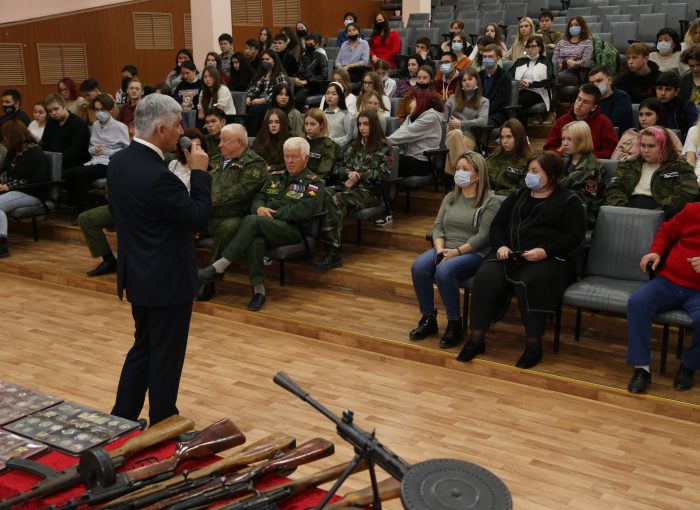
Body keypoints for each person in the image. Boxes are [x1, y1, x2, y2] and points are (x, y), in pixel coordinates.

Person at [107, 93, 212, 425]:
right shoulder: (160, 177)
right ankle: (165, 419)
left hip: (137, 274)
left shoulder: (119, 162)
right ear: (162, 128)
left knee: (144, 347)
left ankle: (121, 418)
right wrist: (199, 174)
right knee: (166, 354)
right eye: (178, 123)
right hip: (167, 280)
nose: (181, 129)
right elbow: (197, 217)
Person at [457, 151, 586, 369]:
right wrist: (501, 246)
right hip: (511, 255)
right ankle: (476, 339)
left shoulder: (568, 201)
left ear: (551, 175)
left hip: (548, 259)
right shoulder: (518, 196)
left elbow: (574, 236)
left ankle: (534, 346)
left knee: (531, 281)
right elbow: (497, 226)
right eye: (529, 170)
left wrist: (545, 251)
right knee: (486, 276)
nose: (529, 175)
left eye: (535, 171)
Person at [198, 137, 323, 311]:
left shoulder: (314, 182)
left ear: (306, 158)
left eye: (294, 157)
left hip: (294, 230)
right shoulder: (275, 177)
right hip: (266, 226)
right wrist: (258, 209)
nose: (289, 161)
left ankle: (220, 265)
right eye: (287, 156)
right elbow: (258, 198)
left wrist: (273, 212)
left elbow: (304, 209)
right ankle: (259, 291)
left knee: (251, 221)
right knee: (255, 239)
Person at [410, 151, 499, 347]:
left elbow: (483, 236)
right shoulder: (450, 197)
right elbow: (438, 227)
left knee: (444, 270)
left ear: (477, 173)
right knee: (419, 267)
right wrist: (441, 249)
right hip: (446, 247)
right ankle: (428, 318)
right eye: (457, 169)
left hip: (473, 252)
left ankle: (454, 323)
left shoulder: (489, 201)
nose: (459, 172)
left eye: (465, 169)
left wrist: (456, 252)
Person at [626, 202, 700, 394]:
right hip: (668, 282)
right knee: (638, 302)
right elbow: (666, 231)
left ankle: (689, 367)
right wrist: (656, 250)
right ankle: (641, 368)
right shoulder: (693, 210)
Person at [196, 124, 268, 301]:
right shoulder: (215, 159)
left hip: (233, 216)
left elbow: (240, 192)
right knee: (177, 224)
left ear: (239, 142)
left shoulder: (254, 163)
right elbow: (199, 182)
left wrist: (204, 203)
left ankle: (209, 280)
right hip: (206, 213)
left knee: (229, 227)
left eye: (224, 140)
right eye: (220, 140)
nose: (220, 145)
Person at [314, 110, 393, 269]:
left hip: (370, 191)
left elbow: (384, 174)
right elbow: (337, 168)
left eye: (366, 124)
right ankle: (324, 245)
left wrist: (360, 176)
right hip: (348, 187)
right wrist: (349, 173)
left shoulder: (384, 147)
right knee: (320, 194)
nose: (362, 128)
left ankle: (334, 252)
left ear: (374, 126)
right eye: (360, 124)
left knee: (335, 200)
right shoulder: (352, 146)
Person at [607, 126, 697, 218]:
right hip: (626, 212)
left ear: (664, 147)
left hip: (663, 215)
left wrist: (657, 214)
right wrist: (623, 211)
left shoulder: (680, 167)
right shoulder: (629, 164)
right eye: (643, 145)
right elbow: (614, 188)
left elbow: (685, 195)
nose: (646, 150)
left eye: (651, 146)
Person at [63, 94, 129, 214]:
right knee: (69, 173)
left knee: (77, 174)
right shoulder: (95, 125)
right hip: (95, 160)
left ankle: (85, 211)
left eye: (102, 110)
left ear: (109, 109)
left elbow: (126, 151)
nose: (99, 113)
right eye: (97, 110)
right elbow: (91, 148)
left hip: (110, 162)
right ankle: (83, 208)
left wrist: (105, 151)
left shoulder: (120, 127)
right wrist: (95, 150)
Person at [0, 120, 49, 258]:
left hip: (32, 193)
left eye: (5, 137)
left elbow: (37, 179)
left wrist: (9, 185)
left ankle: (1, 245)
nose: (4, 140)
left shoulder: (34, 152)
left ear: (13, 136)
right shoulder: (13, 151)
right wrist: (2, 183)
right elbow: (5, 172)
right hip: (14, 191)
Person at [543, 84, 618, 159]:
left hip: (590, 166)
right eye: (579, 99)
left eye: (585, 102)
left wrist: (585, 157)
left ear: (593, 107)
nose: (579, 104)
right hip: (563, 164)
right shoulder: (562, 121)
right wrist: (561, 153)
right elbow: (548, 148)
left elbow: (610, 150)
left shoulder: (603, 122)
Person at [559, 121, 605, 228]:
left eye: (569, 139)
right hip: (562, 209)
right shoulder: (564, 161)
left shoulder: (593, 167)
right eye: (563, 139)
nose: (565, 143)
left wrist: (557, 194)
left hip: (583, 214)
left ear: (581, 140)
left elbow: (588, 198)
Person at [387, 89, 443, 177]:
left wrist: (381, 142)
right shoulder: (410, 117)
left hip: (421, 162)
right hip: (408, 158)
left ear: (421, 101)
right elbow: (399, 133)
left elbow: (406, 134)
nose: (409, 104)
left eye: (412, 100)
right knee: (381, 157)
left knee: (386, 160)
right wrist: (383, 142)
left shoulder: (431, 118)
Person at [444, 68, 489, 174]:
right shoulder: (452, 99)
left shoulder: (483, 101)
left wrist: (461, 124)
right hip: (449, 134)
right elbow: (443, 120)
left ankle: (453, 174)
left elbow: (483, 121)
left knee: (457, 135)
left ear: (477, 80)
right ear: (461, 83)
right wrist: (449, 127)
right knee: (455, 133)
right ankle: (467, 171)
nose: (467, 82)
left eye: (470, 79)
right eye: (464, 80)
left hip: (469, 136)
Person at [613, 98, 684, 161]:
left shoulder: (668, 133)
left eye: (648, 114)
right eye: (641, 115)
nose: (643, 119)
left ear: (658, 116)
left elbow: (680, 157)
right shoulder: (630, 134)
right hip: (631, 171)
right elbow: (615, 157)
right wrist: (634, 162)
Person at [510, 36, 556, 125]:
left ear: (539, 48)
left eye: (533, 46)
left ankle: (519, 130)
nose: (530, 49)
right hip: (519, 90)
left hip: (537, 92)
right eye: (528, 47)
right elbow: (508, 76)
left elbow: (551, 80)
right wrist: (517, 82)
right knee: (510, 99)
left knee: (518, 101)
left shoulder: (546, 61)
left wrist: (530, 85)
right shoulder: (520, 61)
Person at [41, 93, 90, 170]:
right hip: (55, 162)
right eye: (50, 111)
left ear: (65, 106)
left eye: (56, 109)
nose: (53, 113)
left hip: (75, 164)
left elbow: (75, 151)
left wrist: (55, 162)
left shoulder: (78, 124)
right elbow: (45, 144)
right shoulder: (51, 122)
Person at [245, 49, 288, 137]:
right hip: (257, 102)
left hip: (271, 104)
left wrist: (263, 100)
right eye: (263, 59)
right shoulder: (261, 74)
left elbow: (279, 93)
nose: (264, 61)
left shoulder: (280, 75)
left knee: (255, 110)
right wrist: (248, 97)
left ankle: (251, 137)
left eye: (267, 59)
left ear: (274, 61)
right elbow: (252, 88)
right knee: (245, 109)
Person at [487, 118, 532, 196]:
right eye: (502, 137)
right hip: (491, 196)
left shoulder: (529, 160)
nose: (504, 141)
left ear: (519, 138)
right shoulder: (495, 156)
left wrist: (495, 194)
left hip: (513, 198)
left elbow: (522, 188)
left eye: (509, 137)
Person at [588, 66, 634, 133]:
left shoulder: (622, 97)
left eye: (599, 81)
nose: (595, 85)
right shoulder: (590, 99)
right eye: (592, 83)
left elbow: (614, 126)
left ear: (609, 80)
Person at [655, 71, 698, 139]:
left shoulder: (686, 106)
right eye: (660, 88)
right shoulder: (652, 106)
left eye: (668, 89)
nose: (663, 93)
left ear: (676, 92)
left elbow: (695, 130)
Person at [292, 32, 329, 110]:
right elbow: (297, 71)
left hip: (314, 86)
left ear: (317, 45)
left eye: (311, 44)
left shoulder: (321, 57)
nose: (308, 46)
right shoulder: (303, 57)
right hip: (300, 84)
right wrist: (295, 79)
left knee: (296, 99)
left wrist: (307, 81)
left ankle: (302, 117)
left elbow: (323, 76)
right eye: (307, 44)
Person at [552, 17, 593, 87]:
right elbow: (554, 60)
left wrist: (573, 64)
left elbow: (585, 62)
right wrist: (566, 62)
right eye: (571, 25)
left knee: (552, 78)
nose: (573, 27)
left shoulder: (587, 42)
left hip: (575, 73)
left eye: (576, 25)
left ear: (582, 27)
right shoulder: (561, 43)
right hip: (558, 70)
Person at [303, 108, 342, 180]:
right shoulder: (302, 142)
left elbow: (323, 173)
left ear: (321, 125)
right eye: (306, 124)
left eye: (313, 124)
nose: (308, 128)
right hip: (302, 180)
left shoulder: (328, 146)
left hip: (318, 183)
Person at [478, 44, 511, 127]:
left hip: (497, 113)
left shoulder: (505, 77)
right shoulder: (478, 75)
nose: (487, 59)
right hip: (478, 111)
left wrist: (483, 111)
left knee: (480, 124)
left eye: (490, 57)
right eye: (484, 57)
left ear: (498, 58)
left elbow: (501, 101)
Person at [323, 82, 356, 147]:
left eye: (334, 94)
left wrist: (330, 141)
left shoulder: (346, 115)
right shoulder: (321, 114)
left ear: (340, 97)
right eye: (327, 93)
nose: (329, 96)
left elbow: (349, 136)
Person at [202, 107, 226, 171]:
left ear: (223, 122)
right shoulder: (203, 140)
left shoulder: (231, 140)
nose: (210, 125)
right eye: (207, 122)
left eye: (213, 121)